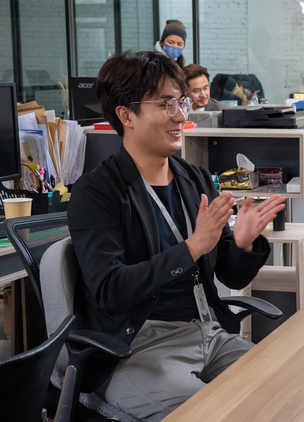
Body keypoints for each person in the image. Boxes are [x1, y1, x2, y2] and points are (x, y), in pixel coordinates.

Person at [67, 50, 285, 421]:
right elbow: (109, 290)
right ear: (126, 115)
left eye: (180, 102)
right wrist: (193, 247)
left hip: (207, 332)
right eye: (165, 104)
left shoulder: (194, 179)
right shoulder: (97, 192)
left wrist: (243, 243)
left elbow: (230, 275)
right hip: (136, 347)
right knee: (217, 414)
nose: (181, 115)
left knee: (285, 388)